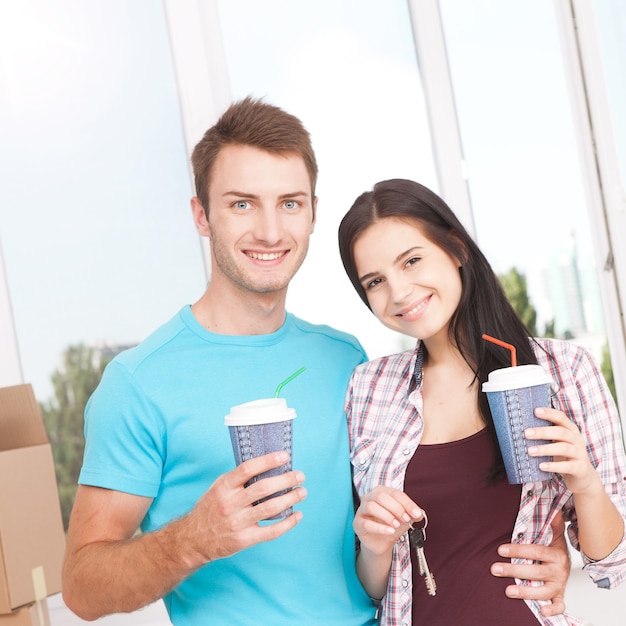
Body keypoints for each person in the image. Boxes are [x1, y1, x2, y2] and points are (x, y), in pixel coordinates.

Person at [62, 99, 570, 625]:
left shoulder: (345, 359)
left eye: (289, 203)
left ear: (312, 214)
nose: (269, 231)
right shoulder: (139, 382)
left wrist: (547, 546)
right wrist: (193, 539)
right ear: (201, 215)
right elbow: (81, 587)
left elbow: (409, 505)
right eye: (241, 204)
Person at [337, 178, 626, 625]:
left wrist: (585, 483)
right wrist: (374, 545)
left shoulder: (565, 371)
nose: (398, 292)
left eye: (412, 260)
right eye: (375, 281)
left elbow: (612, 565)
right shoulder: (369, 389)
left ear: (455, 248)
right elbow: (376, 589)